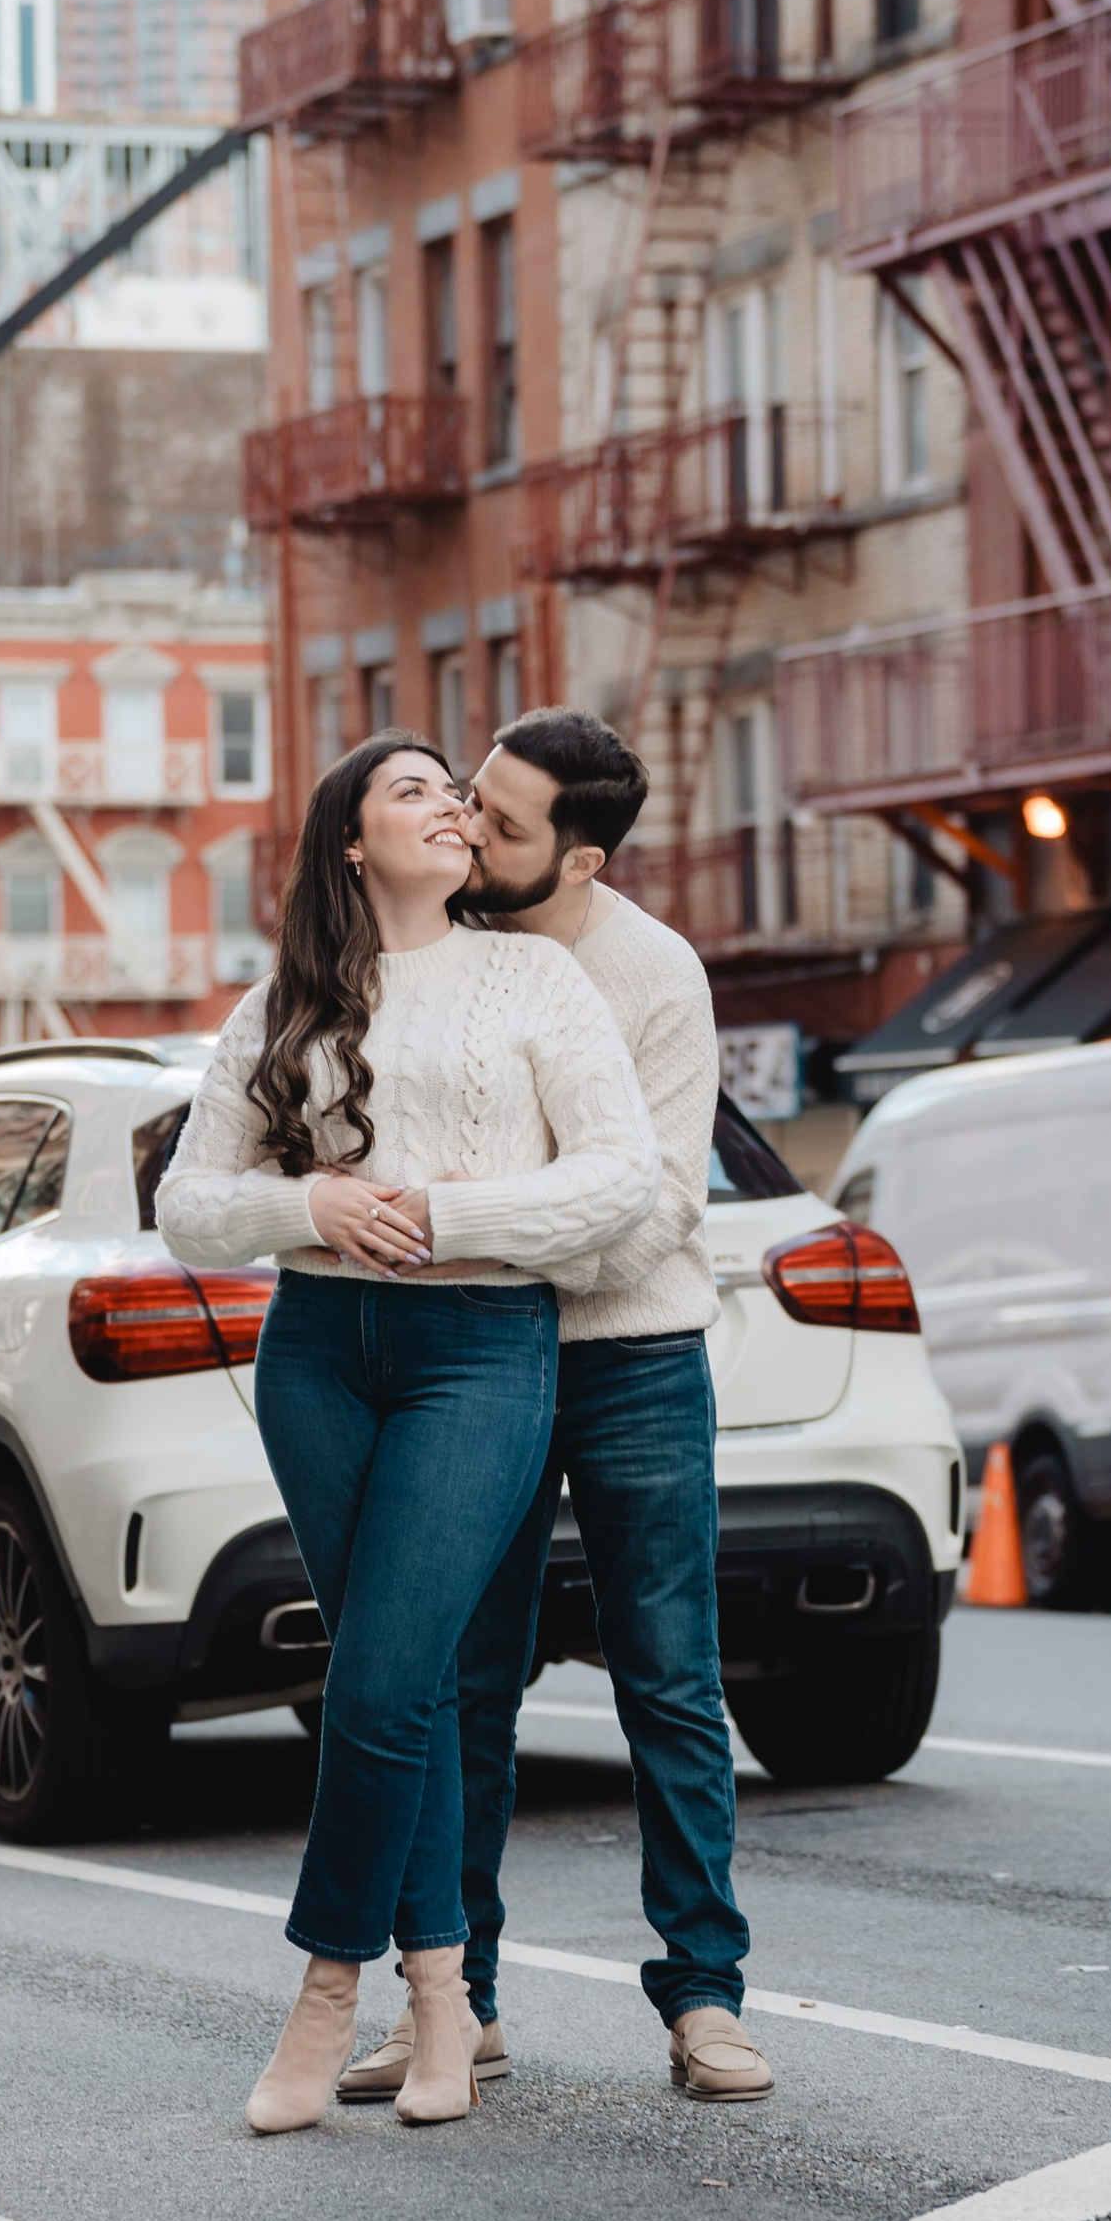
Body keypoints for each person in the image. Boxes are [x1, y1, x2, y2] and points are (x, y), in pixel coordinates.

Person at [157, 730, 660, 2136]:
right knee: (413, 1684)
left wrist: (445, 1216)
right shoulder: (283, 1003)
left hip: (480, 1348)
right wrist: (308, 1208)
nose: (449, 806)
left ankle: (324, 1992)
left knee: (378, 1682)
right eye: (412, 790)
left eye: (456, 791)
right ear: (352, 843)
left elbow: (618, 1180)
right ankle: (441, 1998)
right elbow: (191, 1204)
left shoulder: (534, 979)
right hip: (318, 1352)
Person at [337, 709, 773, 2109]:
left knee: (670, 1680)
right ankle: (456, 2006)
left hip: (629, 1357)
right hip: (472, 1355)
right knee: (461, 1681)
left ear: (579, 859)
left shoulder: (653, 975)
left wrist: (475, 1236)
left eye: (504, 823)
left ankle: (704, 1999)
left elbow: (658, 1211)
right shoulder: (434, 948)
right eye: (468, 796)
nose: (468, 827)